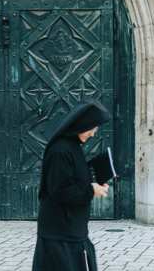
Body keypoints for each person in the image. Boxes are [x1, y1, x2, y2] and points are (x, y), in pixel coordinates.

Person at [32, 100, 111, 271]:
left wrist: (94, 182)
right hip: (60, 233)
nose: (93, 134)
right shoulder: (60, 151)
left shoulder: (72, 147)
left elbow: (73, 178)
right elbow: (60, 190)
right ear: (83, 125)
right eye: (93, 128)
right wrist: (91, 190)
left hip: (69, 229)